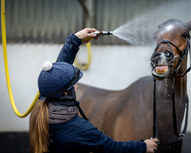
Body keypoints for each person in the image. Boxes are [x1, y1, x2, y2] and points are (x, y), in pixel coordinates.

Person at [29, 28, 159, 153]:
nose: (77, 86)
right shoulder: (79, 129)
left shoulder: (42, 107)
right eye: (73, 85)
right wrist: (143, 146)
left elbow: (58, 72)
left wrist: (75, 39)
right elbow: (112, 148)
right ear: (65, 93)